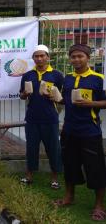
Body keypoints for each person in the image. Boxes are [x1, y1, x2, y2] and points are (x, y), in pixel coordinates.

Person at [54, 44, 106, 221]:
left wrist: (91, 104)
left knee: (95, 168)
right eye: (73, 57)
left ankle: (99, 204)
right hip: (69, 129)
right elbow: (64, 100)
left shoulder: (98, 78)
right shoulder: (67, 78)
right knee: (70, 165)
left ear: (88, 58)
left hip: (89, 130)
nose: (76, 60)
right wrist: (55, 97)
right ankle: (69, 196)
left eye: (80, 56)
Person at [19, 45, 63, 188]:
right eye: (36, 56)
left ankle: (55, 178)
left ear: (48, 57)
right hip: (32, 118)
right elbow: (21, 95)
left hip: (50, 119)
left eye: (42, 55)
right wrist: (24, 94)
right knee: (31, 148)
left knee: (53, 149)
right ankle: (29, 175)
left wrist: (55, 98)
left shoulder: (56, 75)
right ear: (33, 58)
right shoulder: (28, 75)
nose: (39, 58)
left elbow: (62, 98)